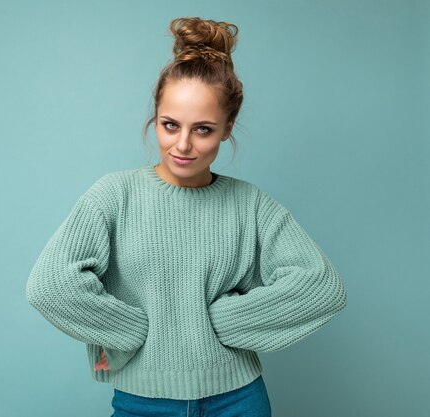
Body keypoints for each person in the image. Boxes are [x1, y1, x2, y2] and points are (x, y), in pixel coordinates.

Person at [26, 16, 348, 417]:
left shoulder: (251, 205)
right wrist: (131, 332)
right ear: (155, 117)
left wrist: (222, 321)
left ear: (228, 128)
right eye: (170, 125)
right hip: (143, 402)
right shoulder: (114, 196)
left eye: (203, 129)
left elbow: (320, 287)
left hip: (239, 399)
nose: (183, 145)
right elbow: (51, 285)